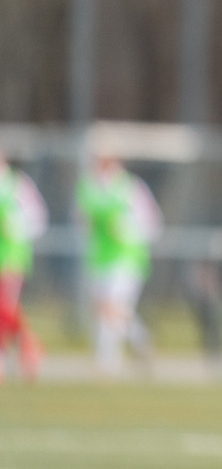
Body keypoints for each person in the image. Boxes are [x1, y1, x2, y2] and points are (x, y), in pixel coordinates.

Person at [76, 154, 162, 377]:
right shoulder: (90, 188)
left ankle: (107, 362)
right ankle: (141, 339)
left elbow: (152, 223)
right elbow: (81, 220)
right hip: (99, 257)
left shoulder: (130, 188)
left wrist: (126, 229)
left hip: (127, 257)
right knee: (106, 309)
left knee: (112, 306)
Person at [0, 152, 48, 382]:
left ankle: (23, 349)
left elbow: (37, 219)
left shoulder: (17, 186)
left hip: (11, 256)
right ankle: (29, 344)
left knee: (5, 308)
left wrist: (17, 226)